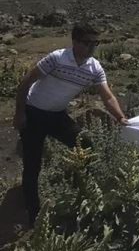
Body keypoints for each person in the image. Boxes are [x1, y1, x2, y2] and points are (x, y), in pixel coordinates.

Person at [13, 22, 127, 225]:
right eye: (87, 43)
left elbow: (107, 96)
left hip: (57, 116)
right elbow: (26, 83)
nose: (91, 47)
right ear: (74, 42)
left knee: (85, 144)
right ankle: (34, 217)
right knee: (32, 166)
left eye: (96, 43)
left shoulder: (94, 67)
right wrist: (20, 113)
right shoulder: (57, 58)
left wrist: (120, 117)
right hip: (34, 113)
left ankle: (80, 191)